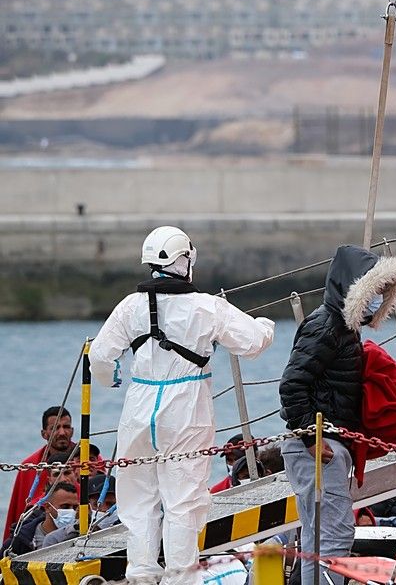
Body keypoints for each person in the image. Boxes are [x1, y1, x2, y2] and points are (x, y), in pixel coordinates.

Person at [89, 225, 275, 585]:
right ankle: (180, 576)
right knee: (183, 498)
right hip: (187, 405)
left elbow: (100, 355)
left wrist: (110, 378)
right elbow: (252, 343)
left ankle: (141, 574)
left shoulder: (130, 306)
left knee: (138, 496)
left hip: (139, 404)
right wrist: (266, 324)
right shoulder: (206, 306)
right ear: (185, 260)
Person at [279, 244, 396, 585]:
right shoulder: (327, 327)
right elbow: (291, 385)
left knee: (316, 538)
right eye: (374, 291)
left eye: (383, 293)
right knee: (334, 534)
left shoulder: (343, 328)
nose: (379, 299)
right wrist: (311, 437)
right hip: (319, 446)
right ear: (355, 289)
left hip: (328, 443)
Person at [4, 406, 76, 539]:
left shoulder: (90, 460)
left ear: (72, 431)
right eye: (55, 428)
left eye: (66, 427)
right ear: (44, 434)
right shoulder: (29, 466)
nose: (61, 432)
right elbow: (18, 513)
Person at [42, 474, 119, 548]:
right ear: (87, 508)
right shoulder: (57, 539)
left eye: (111, 504)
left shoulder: (128, 531)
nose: (105, 509)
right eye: (97, 504)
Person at [1, 482, 78, 555]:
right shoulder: (21, 540)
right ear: (47, 507)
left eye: (75, 507)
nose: (71, 511)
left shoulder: (80, 536)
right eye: (65, 507)